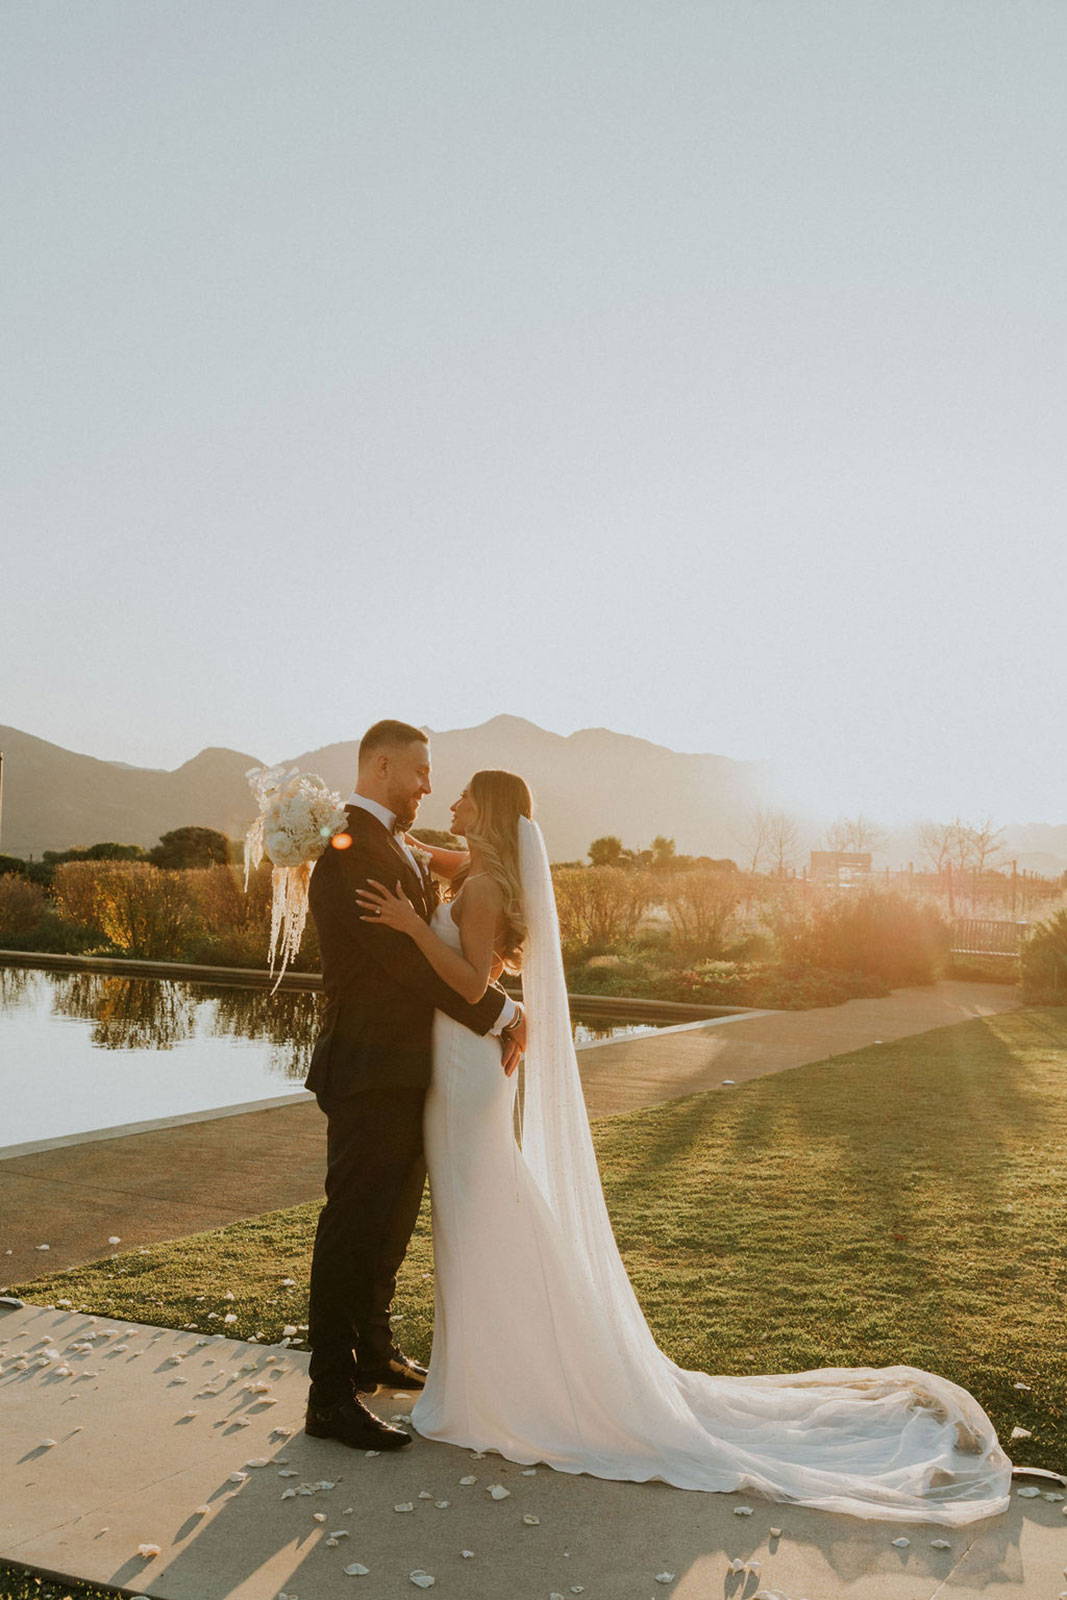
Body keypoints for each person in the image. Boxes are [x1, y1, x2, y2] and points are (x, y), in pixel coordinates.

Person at [355, 767, 1013, 1525]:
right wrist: (359, 830)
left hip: (467, 1069)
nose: (451, 805)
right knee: (480, 1211)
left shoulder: (483, 889)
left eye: (465, 797)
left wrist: (409, 929)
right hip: (465, 1066)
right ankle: (491, 1368)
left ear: (490, 811)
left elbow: (472, 985)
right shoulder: (478, 871)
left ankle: (503, 1379)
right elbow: (419, 849)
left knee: (479, 1213)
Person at [303, 720, 526, 1451]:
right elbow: (403, 963)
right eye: (421, 772)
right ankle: (329, 1396)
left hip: (406, 1071)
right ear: (382, 765)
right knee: (353, 1227)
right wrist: (500, 1011)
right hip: (367, 1068)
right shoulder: (352, 847)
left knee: (391, 1222)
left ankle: (375, 1351)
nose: (429, 787)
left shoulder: (393, 841)